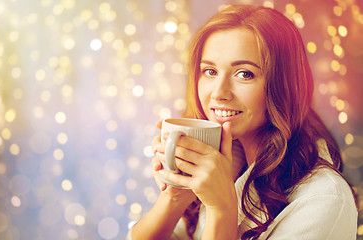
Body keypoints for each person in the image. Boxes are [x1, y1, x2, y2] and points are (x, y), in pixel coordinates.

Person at [127, 4, 358, 240]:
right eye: (210, 71)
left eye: (244, 74)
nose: (218, 93)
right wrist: (174, 197)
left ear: (284, 86)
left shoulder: (323, 199)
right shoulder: (223, 163)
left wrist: (222, 208)